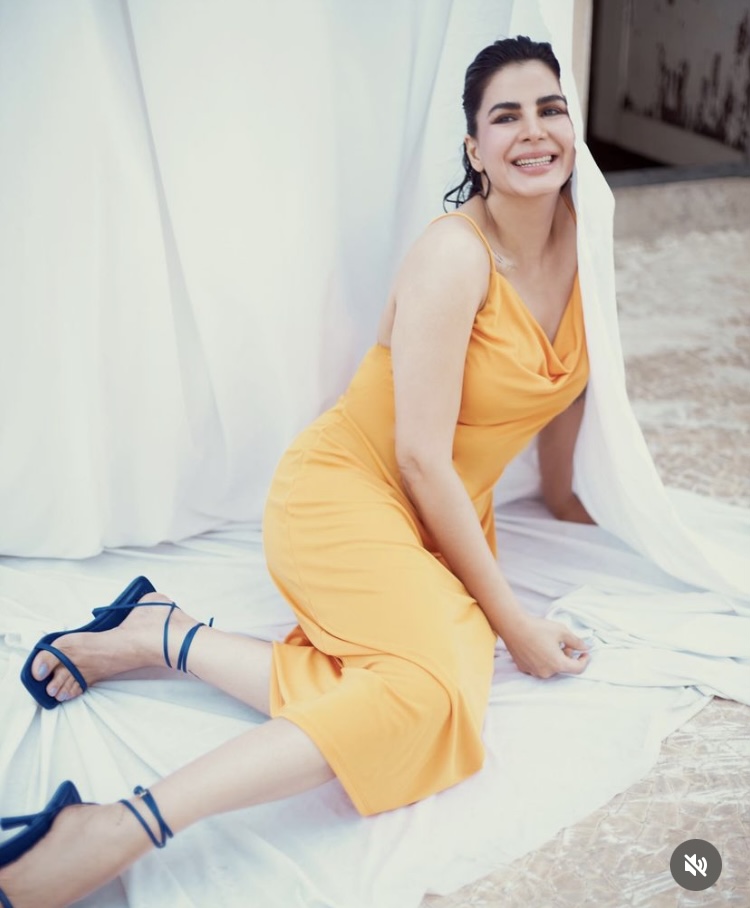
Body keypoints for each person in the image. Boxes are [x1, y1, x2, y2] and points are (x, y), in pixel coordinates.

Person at [0, 35, 594, 907]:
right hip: (347, 494)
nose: (534, 131)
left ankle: (164, 635)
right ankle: (116, 827)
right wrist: (515, 625)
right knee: (432, 697)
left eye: (551, 109)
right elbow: (418, 457)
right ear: (475, 150)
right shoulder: (455, 256)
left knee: (410, 691)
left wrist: (566, 496)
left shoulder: (588, 239)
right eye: (506, 117)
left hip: (441, 517)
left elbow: (569, 384)